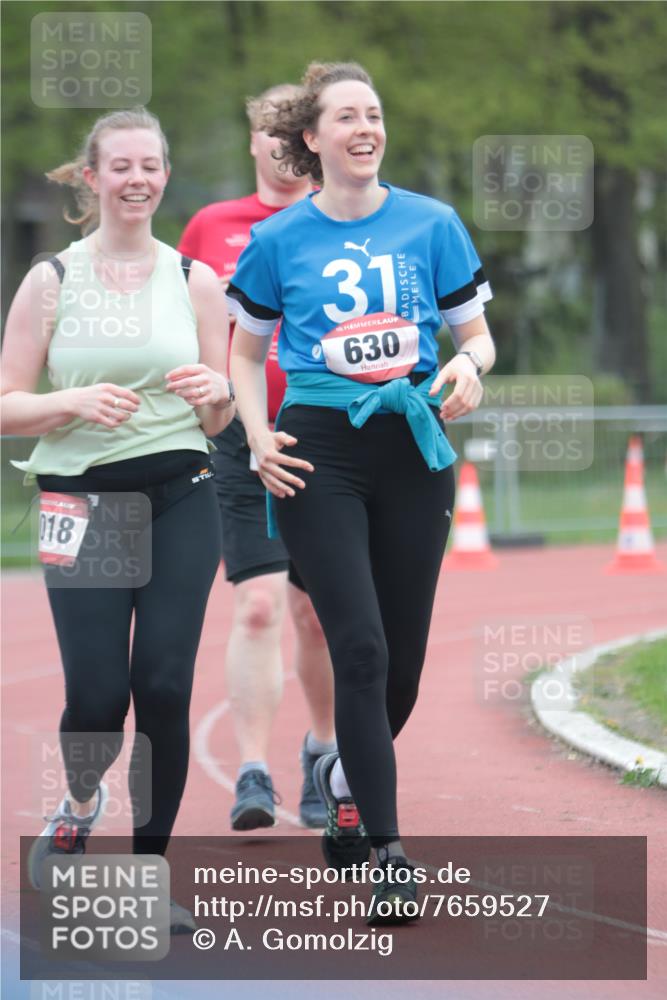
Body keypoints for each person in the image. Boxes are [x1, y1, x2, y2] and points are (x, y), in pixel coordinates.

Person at [228, 62, 496, 923]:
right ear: (313, 138)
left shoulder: (433, 224)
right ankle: (386, 852)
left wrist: (466, 366)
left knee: (403, 671)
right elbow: (242, 354)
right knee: (361, 649)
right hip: (319, 453)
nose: (365, 128)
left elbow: (478, 338)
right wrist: (258, 434)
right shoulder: (277, 242)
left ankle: (342, 775)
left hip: (411, 443)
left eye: (374, 114)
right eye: (346, 116)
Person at [1, 108, 234, 931]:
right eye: (121, 166)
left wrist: (219, 396)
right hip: (81, 503)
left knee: (164, 686)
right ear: (92, 177)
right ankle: (76, 801)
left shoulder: (193, 280)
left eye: (151, 166)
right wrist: (70, 400)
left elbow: (219, 416)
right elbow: (5, 405)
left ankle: (144, 872)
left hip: (181, 495)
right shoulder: (52, 280)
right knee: (98, 694)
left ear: (165, 176)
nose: (138, 179)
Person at [178, 84, 335, 831]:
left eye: (295, 132)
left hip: (325, 436)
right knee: (261, 604)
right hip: (241, 438)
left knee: (313, 615)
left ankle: (324, 753)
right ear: (252, 141)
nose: (281, 145)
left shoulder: (339, 221)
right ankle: (249, 771)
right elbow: (178, 326)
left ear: (311, 140)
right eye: (267, 133)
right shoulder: (211, 226)